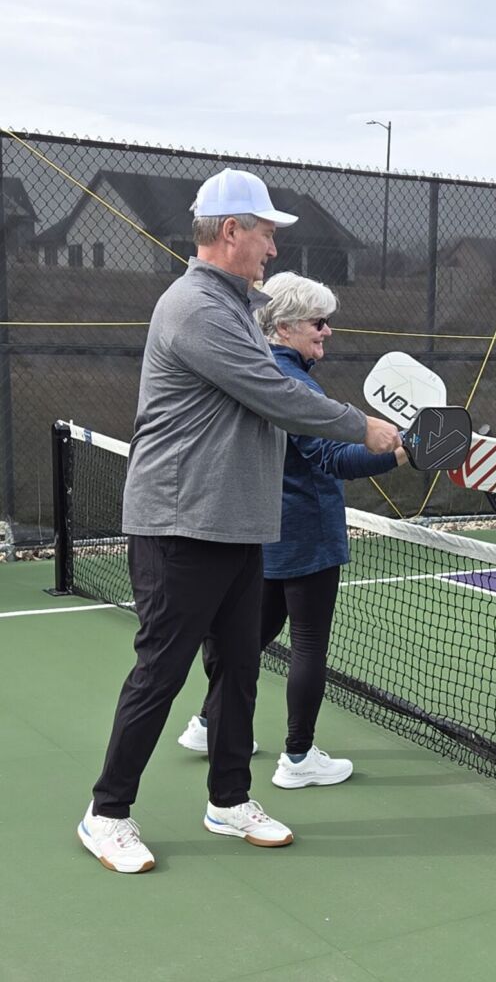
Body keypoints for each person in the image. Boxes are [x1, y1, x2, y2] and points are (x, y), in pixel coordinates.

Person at [77, 168, 400, 873]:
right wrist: (366, 429)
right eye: (265, 234)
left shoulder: (237, 308)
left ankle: (228, 798)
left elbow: (271, 395)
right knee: (160, 672)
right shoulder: (194, 307)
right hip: (180, 524)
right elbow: (274, 393)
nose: (272, 250)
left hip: (236, 527)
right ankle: (107, 812)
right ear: (231, 232)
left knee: (240, 669)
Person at [177, 271, 406, 788]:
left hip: (265, 534)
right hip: (305, 536)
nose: (327, 332)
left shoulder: (257, 370)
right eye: (318, 323)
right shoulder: (295, 384)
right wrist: (398, 453)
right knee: (307, 645)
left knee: (252, 635)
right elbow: (332, 459)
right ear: (283, 326)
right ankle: (299, 758)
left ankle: (207, 722)